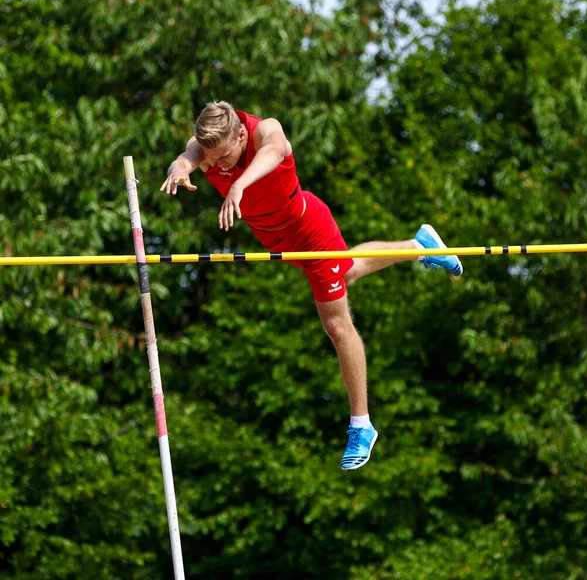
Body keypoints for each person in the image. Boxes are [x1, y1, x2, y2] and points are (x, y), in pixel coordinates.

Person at [161, 101, 463, 470]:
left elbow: (274, 150)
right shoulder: (208, 145)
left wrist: (239, 183)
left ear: (240, 135)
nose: (220, 165)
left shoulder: (264, 131)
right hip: (278, 240)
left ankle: (362, 424)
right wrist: (180, 167)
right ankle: (420, 246)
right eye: (214, 158)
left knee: (336, 324)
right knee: (347, 270)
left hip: (308, 232)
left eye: (225, 156)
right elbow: (188, 156)